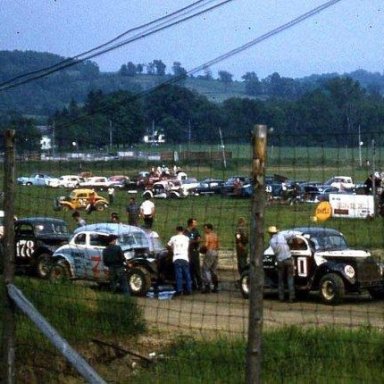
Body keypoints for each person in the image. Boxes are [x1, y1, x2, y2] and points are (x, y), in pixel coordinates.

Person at [267, 225, 295, 303]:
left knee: (281, 280)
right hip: (288, 259)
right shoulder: (282, 235)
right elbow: (292, 235)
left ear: (270, 233)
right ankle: (291, 297)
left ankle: (281, 297)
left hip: (280, 261)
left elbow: (275, 251)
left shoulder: (271, 241)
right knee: (290, 278)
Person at [167, 226, 192, 296]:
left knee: (179, 275)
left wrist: (172, 249)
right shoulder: (187, 238)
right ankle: (189, 290)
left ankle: (179, 290)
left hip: (177, 257)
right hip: (185, 257)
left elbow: (168, 245)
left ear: (176, 230)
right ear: (183, 231)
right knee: (187, 274)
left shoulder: (173, 238)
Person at [184, 218, 202, 291]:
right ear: (190, 223)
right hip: (188, 252)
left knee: (197, 269)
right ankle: (193, 285)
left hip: (195, 252)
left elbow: (199, 238)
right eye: (195, 223)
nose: (196, 224)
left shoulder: (196, 231)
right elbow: (187, 242)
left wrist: (197, 240)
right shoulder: (185, 232)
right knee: (190, 269)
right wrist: (195, 241)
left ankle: (200, 284)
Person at [201, 223, 219, 293]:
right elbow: (218, 245)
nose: (204, 230)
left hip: (209, 252)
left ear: (209, 229)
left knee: (205, 269)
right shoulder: (215, 235)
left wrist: (201, 249)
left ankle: (207, 286)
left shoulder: (207, 235)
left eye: (205, 228)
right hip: (215, 252)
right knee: (213, 270)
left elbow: (205, 245)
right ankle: (216, 286)